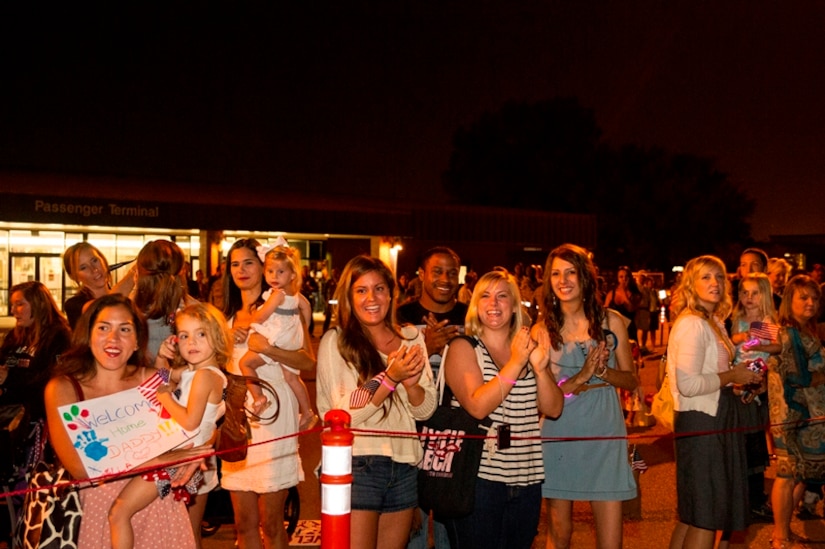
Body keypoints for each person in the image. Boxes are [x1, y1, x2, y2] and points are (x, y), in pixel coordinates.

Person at [44, 294, 206, 548]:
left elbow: (199, 422)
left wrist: (195, 455)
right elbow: (82, 469)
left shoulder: (155, 379)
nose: (113, 339)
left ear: (136, 341)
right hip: (99, 515)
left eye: (125, 329)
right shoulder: (63, 388)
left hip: (159, 509)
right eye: (103, 327)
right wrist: (163, 460)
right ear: (87, 335)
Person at [317, 255, 437, 549]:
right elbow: (342, 414)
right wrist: (390, 379)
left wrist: (410, 386)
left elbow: (426, 409)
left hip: (405, 463)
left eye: (379, 289)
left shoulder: (411, 338)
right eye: (361, 290)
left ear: (392, 293)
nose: (372, 298)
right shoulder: (337, 341)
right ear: (349, 296)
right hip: (358, 463)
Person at [442, 270, 563, 548]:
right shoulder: (464, 347)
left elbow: (554, 408)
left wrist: (541, 370)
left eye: (502, 296)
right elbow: (476, 405)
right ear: (475, 305)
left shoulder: (527, 348)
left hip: (528, 479)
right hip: (478, 481)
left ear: (515, 305)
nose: (493, 304)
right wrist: (516, 363)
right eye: (485, 296)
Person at [535, 243, 639, 549]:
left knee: (611, 540)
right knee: (560, 533)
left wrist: (602, 372)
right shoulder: (541, 330)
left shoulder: (611, 321)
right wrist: (581, 375)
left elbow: (631, 380)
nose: (563, 280)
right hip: (559, 428)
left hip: (604, 428)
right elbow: (544, 398)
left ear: (585, 277)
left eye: (571, 272)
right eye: (556, 274)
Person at [108, 302, 229, 549]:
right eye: (184, 335)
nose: (191, 342)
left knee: (119, 512)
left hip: (178, 461)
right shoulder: (194, 372)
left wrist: (164, 398)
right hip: (180, 457)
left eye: (201, 334)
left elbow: (189, 421)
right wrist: (163, 358)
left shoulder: (206, 376)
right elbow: (162, 379)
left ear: (217, 337)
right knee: (174, 529)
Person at [219, 238, 315, 549]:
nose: (241, 270)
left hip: (276, 409)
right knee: (243, 523)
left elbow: (306, 362)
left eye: (249, 262)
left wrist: (269, 349)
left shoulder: (285, 306)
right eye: (235, 263)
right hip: (239, 414)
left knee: (272, 522)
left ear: (266, 267)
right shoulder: (224, 315)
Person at [666, 255, 759, 549]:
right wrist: (732, 374)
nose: (715, 283)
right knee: (706, 513)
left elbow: (710, 376)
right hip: (702, 422)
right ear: (691, 283)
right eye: (705, 277)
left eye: (719, 277)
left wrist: (736, 380)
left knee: (694, 513)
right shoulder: (693, 324)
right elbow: (688, 384)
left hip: (714, 416)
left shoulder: (711, 321)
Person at [396, 246, 466, 548]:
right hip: (412, 426)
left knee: (452, 519)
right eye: (437, 271)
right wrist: (426, 348)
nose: (445, 279)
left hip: (457, 427)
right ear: (421, 274)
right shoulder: (401, 315)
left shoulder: (470, 315)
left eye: (452, 272)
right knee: (413, 524)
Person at [768, 275, 825, 548]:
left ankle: (785, 532)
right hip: (791, 415)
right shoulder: (784, 333)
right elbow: (794, 375)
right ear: (789, 300)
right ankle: (780, 536)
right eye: (803, 297)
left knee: (803, 473)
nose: (811, 302)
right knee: (787, 474)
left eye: (815, 298)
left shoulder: (807, 332)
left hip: (808, 417)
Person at [238, 242, 318, 430]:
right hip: (290, 336)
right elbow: (306, 308)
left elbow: (261, 315)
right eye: (270, 271)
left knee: (245, 363)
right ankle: (307, 411)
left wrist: (252, 320)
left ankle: (259, 397)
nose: (274, 276)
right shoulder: (295, 294)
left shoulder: (277, 294)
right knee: (292, 378)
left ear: (291, 274)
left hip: (276, 336)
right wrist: (300, 326)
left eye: (279, 272)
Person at [729, 272, 780, 524]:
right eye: (744, 292)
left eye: (754, 293)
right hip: (736, 383)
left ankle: (755, 498)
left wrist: (756, 343)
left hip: (756, 383)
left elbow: (774, 346)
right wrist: (737, 338)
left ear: (765, 296)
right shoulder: (737, 319)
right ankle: (746, 498)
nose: (748, 298)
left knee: (753, 442)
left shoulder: (763, 321)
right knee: (742, 442)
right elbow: (730, 346)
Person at [0, 281, 71, 421]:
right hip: (10, 413)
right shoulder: (15, 335)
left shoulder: (58, 335)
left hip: (39, 417)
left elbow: (54, 378)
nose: (12, 310)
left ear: (39, 304)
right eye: (13, 305)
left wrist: (10, 379)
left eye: (19, 304)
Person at [133, 240, 198, 364]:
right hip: (182, 380)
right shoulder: (197, 312)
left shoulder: (127, 312)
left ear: (139, 273)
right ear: (183, 270)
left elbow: (163, 378)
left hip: (142, 381)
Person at [62, 242, 135, 329]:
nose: (94, 269)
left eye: (94, 260)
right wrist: (135, 270)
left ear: (103, 260)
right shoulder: (74, 305)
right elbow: (105, 308)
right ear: (73, 276)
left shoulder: (126, 297)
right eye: (83, 267)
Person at [604, 266, 642, 340]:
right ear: (617, 279)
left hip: (629, 330)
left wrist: (623, 293)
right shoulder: (612, 294)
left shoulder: (635, 294)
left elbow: (631, 309)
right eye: (621, 277)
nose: (624, 279)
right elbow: (605, 310)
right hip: (614, 330)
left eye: (626, 276)